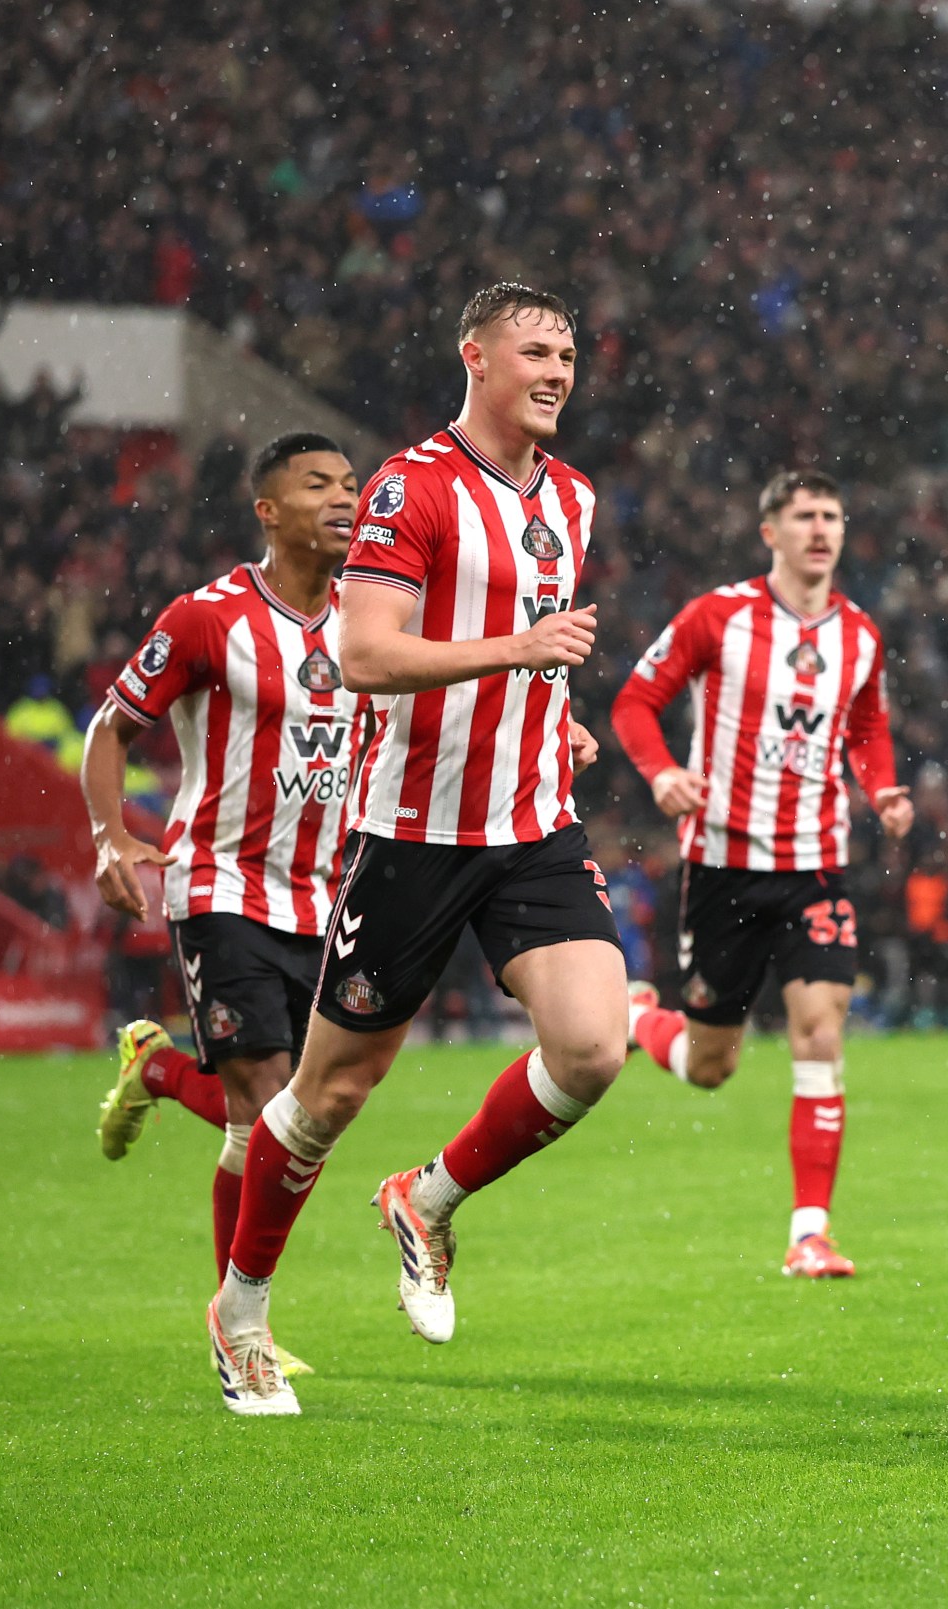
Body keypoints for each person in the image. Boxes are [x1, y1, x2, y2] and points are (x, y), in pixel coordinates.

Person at [204, 283, 623, 1415]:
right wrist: (518, 650)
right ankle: (240, 1308)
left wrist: (553, 703)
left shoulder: (574, 498)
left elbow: (536, 655)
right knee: (329, 1091)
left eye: (569, 353)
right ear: (474, 355)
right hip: (415, 832)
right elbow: (368, 654)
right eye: (534, 348)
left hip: (531, 820)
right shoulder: (411, 488)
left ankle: (427, 1198)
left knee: (593, 1049)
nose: (556, 369)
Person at [81, 431, 360, 1388]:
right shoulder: (210, 618)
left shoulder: (375, 619)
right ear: (268, 510)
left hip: (327, 897)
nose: (344, 496)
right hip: (221, 885)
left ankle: (159, 1071)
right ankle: (243, 1324)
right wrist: (112, 835)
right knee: (270, 1100)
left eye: (351, 482)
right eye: (317, 483)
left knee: (296, 1118)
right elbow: (112, 725)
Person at [609, 469, 912, 1279]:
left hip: (814, 869)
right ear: (769, 531)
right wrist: (662, 772)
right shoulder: (718, 616)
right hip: (722, 867)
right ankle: (640, 1017)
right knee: (713, 1065)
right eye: (805, 516)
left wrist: (880, 787)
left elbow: (867, 726)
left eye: (833, 516)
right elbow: (635, 702)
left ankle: (809, 1231)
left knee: (821, 1029)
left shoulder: (860, 635)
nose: (822, 529)